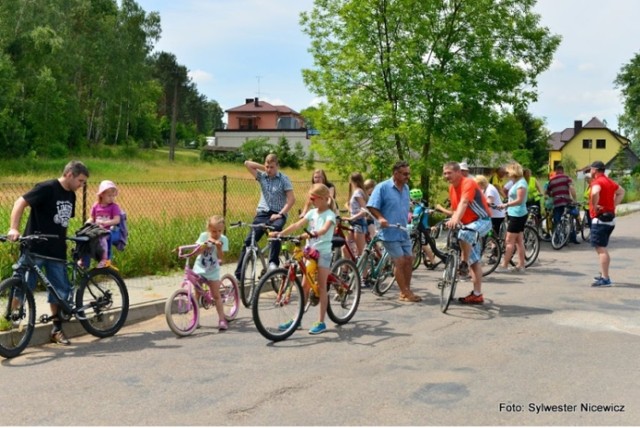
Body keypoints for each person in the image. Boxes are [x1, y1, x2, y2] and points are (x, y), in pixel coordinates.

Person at [7, 160, 90, 345]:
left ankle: (57, 330)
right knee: (21, 284)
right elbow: (20, 202)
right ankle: (13, 320)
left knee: (59, 292)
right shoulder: (47, 188)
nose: (81, 185)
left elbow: (62, 222)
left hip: (56, 251)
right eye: (80, 180)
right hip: (34, 249)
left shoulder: (71, 195)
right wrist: (14, 229)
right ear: (69, 174)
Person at [273, 183, 336, 334]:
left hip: (323, 253)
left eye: (313, 198)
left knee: (321, 287)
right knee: (304, 287)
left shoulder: (330, 215)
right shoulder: (312, 212)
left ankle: (321, 322)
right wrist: (280, 233)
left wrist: (314, 234)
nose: (312, 201)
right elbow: (297, 224)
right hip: (310, 252)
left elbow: (324, 229)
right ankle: (297, 320)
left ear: (322, 198)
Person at [367, 161, 421, 302]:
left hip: (403, 230)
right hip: (388, 232)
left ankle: (406, 291)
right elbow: (371, 206)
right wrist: (381, 218)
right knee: (400, 261)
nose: (407, 176)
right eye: (404, 174)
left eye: (408, 173)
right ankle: (404, 292)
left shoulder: (407, 188)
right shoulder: (383, 187)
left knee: (409, 259)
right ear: (395, 173)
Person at [234, 154, 295, 280]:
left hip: (278, 213)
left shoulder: (284, 179)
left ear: (277, 166)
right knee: (248, 241)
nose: (269, 170)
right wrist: (264, 167)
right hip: (262, 213)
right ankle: (239, 275)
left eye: (272, 167)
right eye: (267, 167)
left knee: (275, 233)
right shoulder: (262, 176)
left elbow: (291, 200)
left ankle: (273, 263)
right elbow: (247, 163)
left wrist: (280, 214)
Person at [442, 161, 492, 304]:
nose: (446, 176)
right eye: (444, 173)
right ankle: (477, 294)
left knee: (464, 234)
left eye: (449, 173)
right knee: (474, 261)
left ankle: (463, 263)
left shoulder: (468, 183)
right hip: (468, 224)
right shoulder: (452, 188)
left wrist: (456, 219)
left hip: (483, 220)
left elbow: (464, 203)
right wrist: (452, 219)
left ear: (458, 172)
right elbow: (456, 209)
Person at [588, 161, 625, 287]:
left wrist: (594, 205)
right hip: (610, 219)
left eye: (591, 169)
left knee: (601, 249)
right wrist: (613, 205)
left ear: (595, 170)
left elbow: (594, 192)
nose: (590, 171)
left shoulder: (597, 182)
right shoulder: (610, 181)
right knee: (602, 247)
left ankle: (605, 278)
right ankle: (604, 274)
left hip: (600, 219)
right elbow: (622, 192)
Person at [193, 215, 230, 330]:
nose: (217, 233)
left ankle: (222, 319)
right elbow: (197, 251)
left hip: (213, 271)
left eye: (220, 231)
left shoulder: (223, 239)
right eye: (214, 231)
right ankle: (195, 320)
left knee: (216, 295)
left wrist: (219, 248)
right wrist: (204, 245)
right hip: (200, 268)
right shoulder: (203, 236)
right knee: (197, 294)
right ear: (208, 228)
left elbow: (221, 258)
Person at [496, 162, 528, 273]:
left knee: (509, 240)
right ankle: (521, 265)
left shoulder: (521, 184)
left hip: (517, 214)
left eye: (508, 171)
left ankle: (504, 265)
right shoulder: (516, 182)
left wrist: (506, 205)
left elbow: (520, 200)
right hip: (515, 213)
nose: (506, 173)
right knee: (519, 241)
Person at [89, 180, 122, 268]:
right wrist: (88, 222)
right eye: (109, 195)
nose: (112, 198)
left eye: (113, 196)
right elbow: (92, 218)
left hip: (109, 231)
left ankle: (104, 259)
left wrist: (105, 222)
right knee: (86, 238)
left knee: (102, 238)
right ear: (102, 194)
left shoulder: (114, 207)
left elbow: (117, 220)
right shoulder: (96, 206)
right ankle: (84, 261)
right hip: (97, 230)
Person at [546, 164, 579, 244]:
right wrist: (574, 200)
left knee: (557, 221)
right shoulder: (567, 178)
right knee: (571, 218)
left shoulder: (551, 180)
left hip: (557, 203)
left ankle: (557, 239)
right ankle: (573, 238)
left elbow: (548, 192)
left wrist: (554, 195)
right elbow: (571, 188)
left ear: (556, 171)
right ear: (563, 171)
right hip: (566, 202)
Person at [343, 172, 368, 257]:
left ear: (353, 181)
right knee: (345, 248)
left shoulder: (358, 192)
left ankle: (364, 269)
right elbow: (355, 208)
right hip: (353, 223)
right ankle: (346, 268)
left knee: (361, 253)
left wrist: (352, 218)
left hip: (359, 223)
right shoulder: (357, 192)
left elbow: (364, 210)